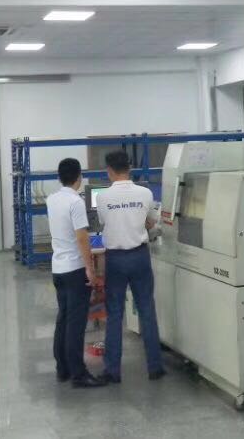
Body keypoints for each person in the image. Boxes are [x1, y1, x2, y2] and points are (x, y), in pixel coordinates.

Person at [96, 150, 165, 384]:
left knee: (115, 314)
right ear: (130, 168)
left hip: (115, 259)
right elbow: (151, 221)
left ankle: (112, 371)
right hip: (139, 257)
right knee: (146, 310)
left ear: (109, 170)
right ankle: (155, 367)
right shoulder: (145, 193)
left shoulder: (103, 197)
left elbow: (104, 222)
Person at [46, 158, 106, 388]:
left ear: (59, 177)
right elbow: (82, 238)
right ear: (79, 177)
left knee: (63, 319)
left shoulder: (52, 199)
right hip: (74, 269)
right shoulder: (75, 202)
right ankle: (78, 374)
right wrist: (90, 269)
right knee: (76, 324)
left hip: (58, 268)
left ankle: (62, 368)